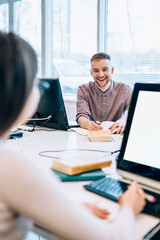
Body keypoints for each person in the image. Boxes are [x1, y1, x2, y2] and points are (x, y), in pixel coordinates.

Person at [0, 32, 145, 240]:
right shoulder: (11, 166)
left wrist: (61, 207)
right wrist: (129, 207)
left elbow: (20, 200)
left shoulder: (9, 165)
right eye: (35, 83)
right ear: (17, 92)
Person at [76, 52, 132, 134]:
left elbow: (132, 111)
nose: (101, 75)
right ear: (91, 72)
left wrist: (124, 120)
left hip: (115, 136)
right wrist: (89, 124)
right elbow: (81, 116)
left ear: (112, 70)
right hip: (92, 136)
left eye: (104, 69)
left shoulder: (125, 90)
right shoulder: (83, 90)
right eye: (96, 71)